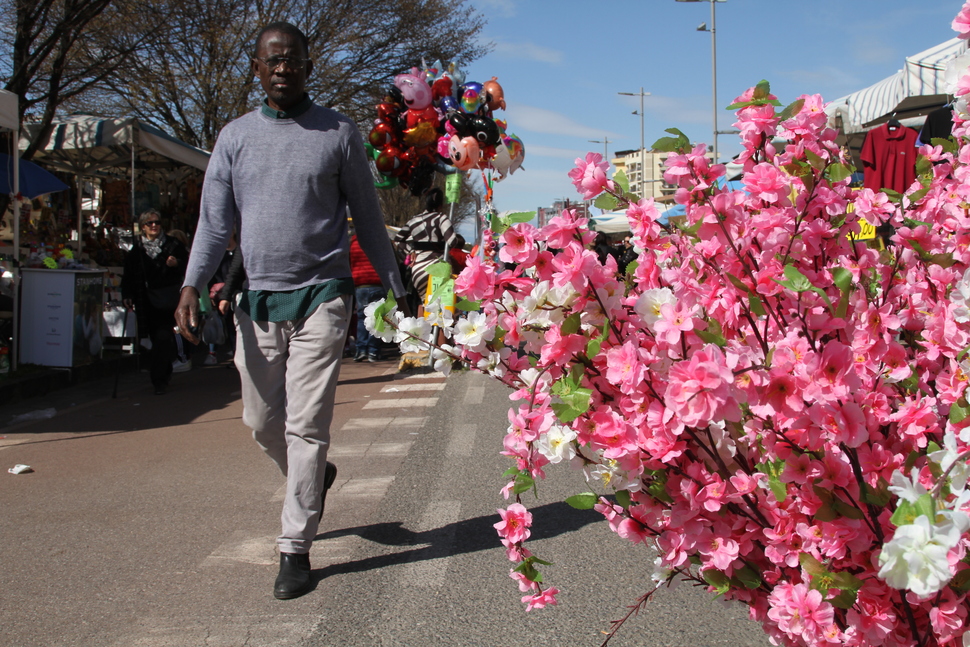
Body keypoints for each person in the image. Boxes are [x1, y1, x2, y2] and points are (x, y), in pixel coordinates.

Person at [175, 22, 409, 601]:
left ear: (308, 65)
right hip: (257, 301)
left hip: (322, 295)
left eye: (293, 59)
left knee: (307, 426)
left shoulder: (339, 132)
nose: (283, 68)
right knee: (261, 423)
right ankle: (314, 476)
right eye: (272, 60)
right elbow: (213, 225)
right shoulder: (233, 138)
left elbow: (367, 216)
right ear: (256, 68)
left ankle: (295, 547)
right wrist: (191, 285)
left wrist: (393, 280)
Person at [122, 209, 188, 395]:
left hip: (168, 299)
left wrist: (177, 264)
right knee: (156, 338)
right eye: (149, 223)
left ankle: (158, 379)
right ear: (143, 227)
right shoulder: (137, 250)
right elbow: (128, 274)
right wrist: (127, 294)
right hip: (146, 301)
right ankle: (165, 371)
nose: (154, 226)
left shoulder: (173, 244)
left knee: (163, 336)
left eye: (157, 222)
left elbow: (188, 265)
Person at [393, 188, 458, 310]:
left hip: (419, 269)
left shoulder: (413, 220)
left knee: (425, 304)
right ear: (441, 204)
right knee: (443, 307)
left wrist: (410, 251)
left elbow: (398, 240)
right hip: (438, 265)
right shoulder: (441, 218)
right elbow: (452, 241)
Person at [349, 231, 384, 362]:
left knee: (361, 317)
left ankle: (361, 349)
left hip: (360, 284)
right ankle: (373, 351)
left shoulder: (352, 243)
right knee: (377, 318)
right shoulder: (379, 241)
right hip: (378, 283)